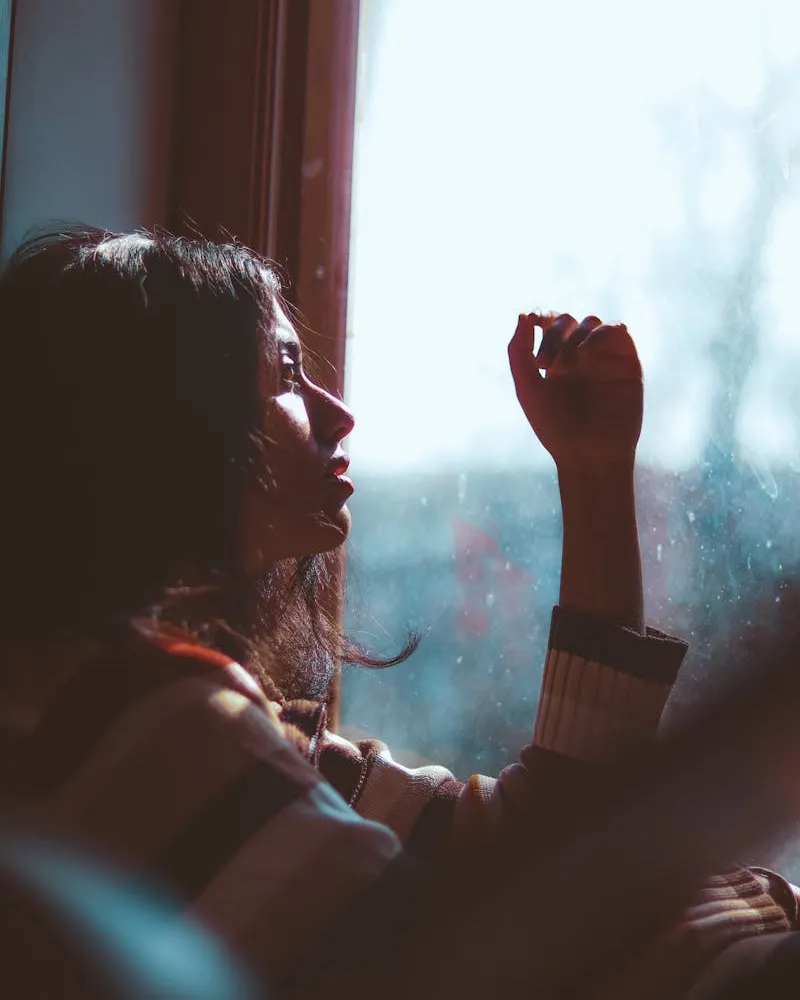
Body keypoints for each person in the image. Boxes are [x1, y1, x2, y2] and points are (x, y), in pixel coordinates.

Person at [0, 227, 794, 998]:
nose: (337, 411)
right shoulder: (158, 728)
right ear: (167, 418)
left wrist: (593, 475)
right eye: (284, 371)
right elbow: (501, 945)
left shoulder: (195, 733)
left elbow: (526, 834)